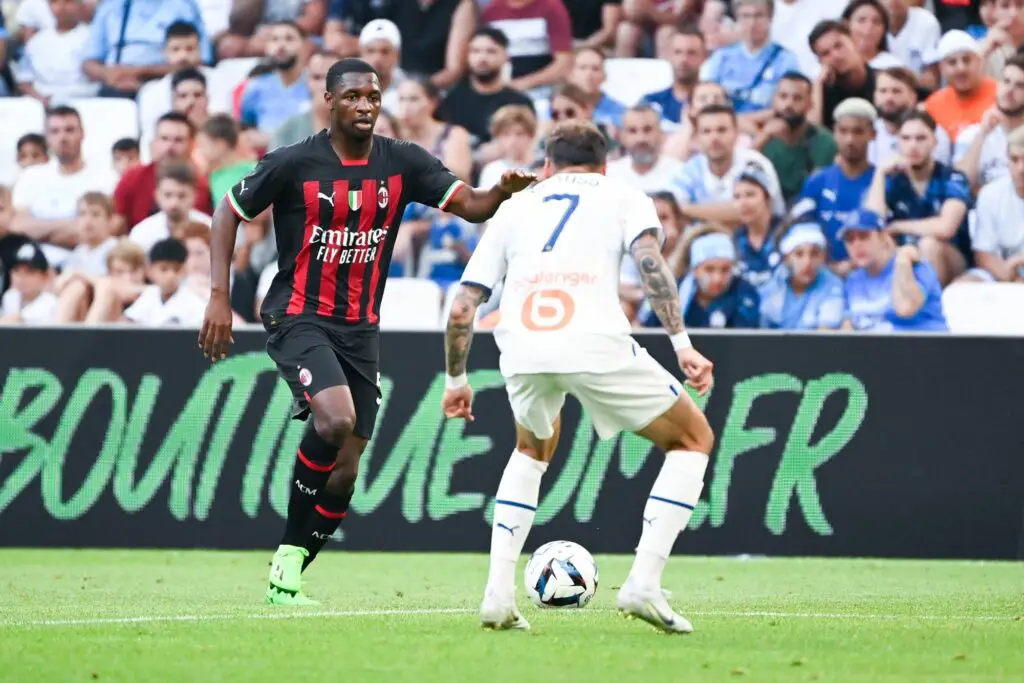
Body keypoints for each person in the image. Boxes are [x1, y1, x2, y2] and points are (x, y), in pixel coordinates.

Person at [197, 57, 537, 606]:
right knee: (336, 419)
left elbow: (472, 207)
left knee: (347, 467)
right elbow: (228, 211)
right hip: (298, 315)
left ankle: (291, 573)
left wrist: (500, 191)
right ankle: (287, 549)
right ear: (330, 101)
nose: (364, 106)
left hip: (360, 329)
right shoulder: (293, 162)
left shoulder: (402, 162)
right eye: (353, 96)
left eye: (373, 97)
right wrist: (218, 295)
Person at [440, 119, 714, 633]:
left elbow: (462, 307)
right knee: (692, 439)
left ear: (547, 165)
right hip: (594, 340)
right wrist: (682, 344)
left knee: (530, 450)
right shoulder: (625, 196)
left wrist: (456, 382)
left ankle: (497, 595)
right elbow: (650, 265)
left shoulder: (515, 206)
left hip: (522, 344)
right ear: (603, 166)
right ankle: (643, 584)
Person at [864, 110, 973, 285]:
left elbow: (946, 227)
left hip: (950, 257)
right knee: (883, 247)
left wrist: (898, 226)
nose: (913, 145)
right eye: (906, 138)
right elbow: (871, 222)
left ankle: (929, 300)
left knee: (929, 245)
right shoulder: (892, 179)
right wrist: (880, 173)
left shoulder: (952, 178)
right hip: (903, 255)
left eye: (921, 138)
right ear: (898, 142)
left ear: (934, 141)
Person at [792, 97, 878, 270]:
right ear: (834, 133)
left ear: (872, 135)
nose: (850, 140)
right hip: (824, 274)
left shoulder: (882, 181)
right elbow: (801, 231)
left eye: (858, 132)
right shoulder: (817, 182)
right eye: (843, 131)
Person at [840, 208, 948, 332]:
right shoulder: (853, 280)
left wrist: (902, 262)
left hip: (922, 342)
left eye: (864, 236)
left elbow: (905, 307)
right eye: (849, 239)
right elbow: (847, 330)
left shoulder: (914, 265)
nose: (856, 245)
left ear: (883, 236)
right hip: (874, 344)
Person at [700, 0, 800, 132]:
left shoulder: (785, 59)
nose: (752, 23)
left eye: (759, 16)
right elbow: (706, 98)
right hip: (722, 130)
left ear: (770, 18)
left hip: (766, 130)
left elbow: (787, 106)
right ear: (737, 20)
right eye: (745, 16)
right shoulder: (722, 57)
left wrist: (741, 121)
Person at [638, 224, 761, 329]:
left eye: (725, 269)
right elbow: (646, 330)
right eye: (709, 269)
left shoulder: (745, 293)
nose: (717, 278)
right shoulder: (667, 292)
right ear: (694, 269)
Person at [756, 71, 838, 202]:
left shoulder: (824, 141)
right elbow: (743, 175)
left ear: (809, 105)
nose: (788, 104)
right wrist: (762, 138)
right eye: (783, 96)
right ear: (773, 100)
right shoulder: (764, 138)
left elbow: (817, 190)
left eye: (797, 98)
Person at [960, 123, 1024, 282]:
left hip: (1015, 266)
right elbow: (983, 253)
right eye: (1014, 159)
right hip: (1004, 271)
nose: (1021, 169)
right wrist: (1009, 275)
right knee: (963, 286)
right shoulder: (991, 193)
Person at [954, 54, 1024, 190]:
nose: (1010, 90)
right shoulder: (970, 134)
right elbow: (960, 184)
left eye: (1020, 86)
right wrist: (982, 134)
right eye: (1006, 81)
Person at [758, 222, 845, 329]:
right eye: (799, 254)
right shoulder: (773, 285)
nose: (807, 262)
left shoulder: (832, 286)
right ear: (786, 258)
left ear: (823, 257)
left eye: (814, 254)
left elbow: (825, 334)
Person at [923, 30, 997, 143]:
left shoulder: (1000, 94)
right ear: (941, 68)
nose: (961, 68)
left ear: (979, 62)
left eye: (967, 60)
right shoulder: (932, 106)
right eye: (952, 62)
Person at [871, 66, 953, 167]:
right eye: (883, 91)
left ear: (913, 97)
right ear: (875, 96)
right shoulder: (868, 131)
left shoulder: (933, 132)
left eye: (896, 91)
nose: (889, 98)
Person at [842, 0, 904, 68]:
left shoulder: (892, 65)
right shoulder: (837, 63)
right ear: (846, 24)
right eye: (862, 20)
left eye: (876, 21)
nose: (869, 26)